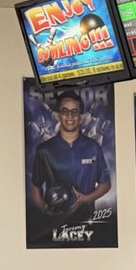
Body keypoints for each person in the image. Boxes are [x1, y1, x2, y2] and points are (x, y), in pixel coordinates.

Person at [30, 91, 111, 220]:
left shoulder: (93, 147)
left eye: (74, 112)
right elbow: (36, 186)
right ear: (59, 115)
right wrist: (44, 210)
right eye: (65, 111)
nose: (70, 116)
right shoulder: (44, 150)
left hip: (86, 224)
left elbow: (105, 184)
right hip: (53, 226)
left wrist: (85, 199)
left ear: (80, 117)